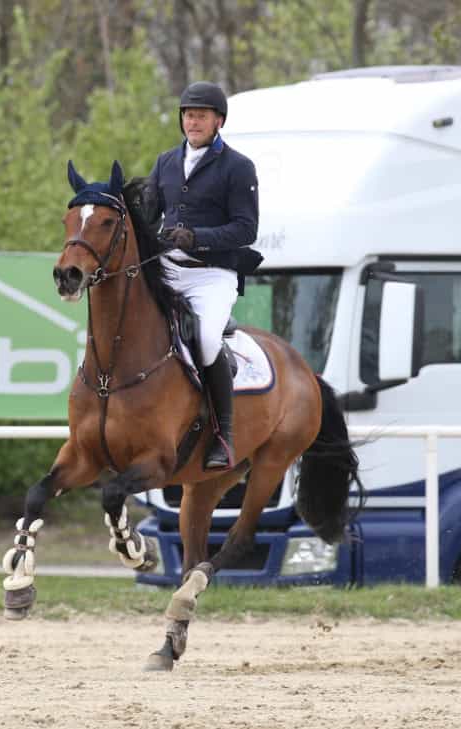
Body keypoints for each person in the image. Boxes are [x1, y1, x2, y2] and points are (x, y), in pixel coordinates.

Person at [148, 81, 263, 471]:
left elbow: (246, 229)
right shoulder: (165, 162)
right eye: (187, 114)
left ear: (219, 121)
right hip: (168, 269)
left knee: (208, 340)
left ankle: (222, 435)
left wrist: (197, 238)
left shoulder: (238, 167)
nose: (192, 121)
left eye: (200, 115)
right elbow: (148, 215)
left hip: (211, 275)